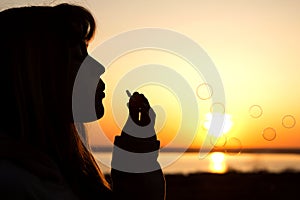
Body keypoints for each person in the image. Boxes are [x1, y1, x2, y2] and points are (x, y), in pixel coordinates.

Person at [0, 3, 165, 200]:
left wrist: (135, 152)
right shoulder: (16, 185)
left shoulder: (59, 174)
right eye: (78, 57)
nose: (99, 68)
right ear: (35, 76)